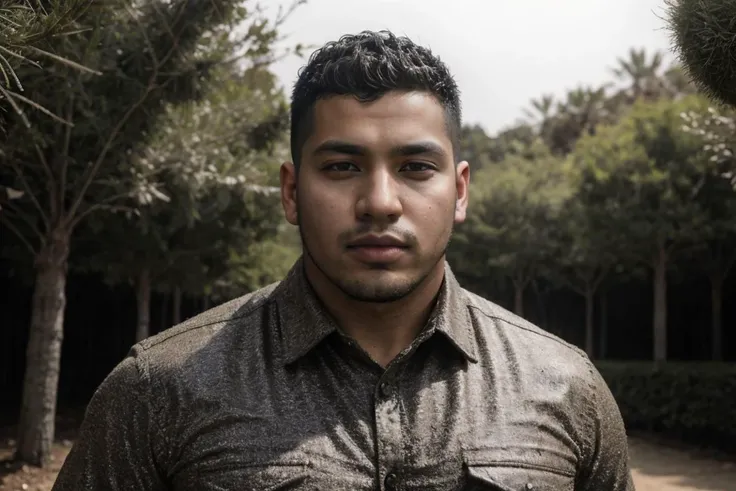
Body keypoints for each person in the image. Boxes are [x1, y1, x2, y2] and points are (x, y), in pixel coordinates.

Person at [52, 30, 635, 490]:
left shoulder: (563, 386)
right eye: (341, 166)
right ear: (290, 191)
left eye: (415, 167)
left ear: (459, 192)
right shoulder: (158, 389)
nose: (380, 202)